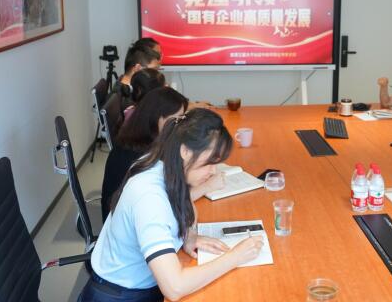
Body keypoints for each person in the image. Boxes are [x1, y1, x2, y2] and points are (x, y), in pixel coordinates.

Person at [82, 108, 263, 301]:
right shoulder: (149, 197)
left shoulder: (165, 165)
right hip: (122, 295)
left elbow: (184, 204)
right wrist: (235, 257)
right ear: (185, 151)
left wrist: (188, 235)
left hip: (142, 285)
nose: (213, 171)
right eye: (210, 163)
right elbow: (174, 287)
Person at [101, 87, 187, 221]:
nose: (181, 125)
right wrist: (206, 187)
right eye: (177, 120)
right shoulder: (139, 157)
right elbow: (171, 202)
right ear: (157, 118)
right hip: (130, 224)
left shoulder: (143, 140)